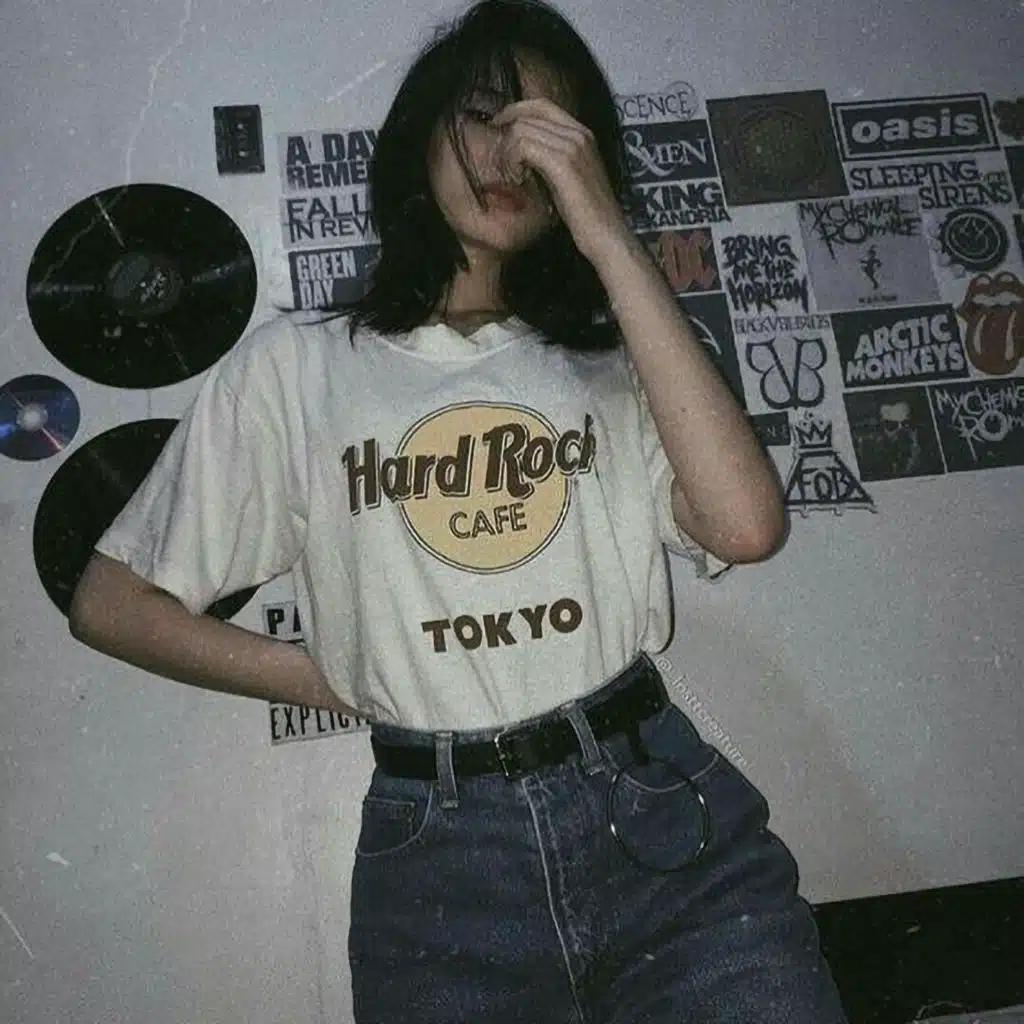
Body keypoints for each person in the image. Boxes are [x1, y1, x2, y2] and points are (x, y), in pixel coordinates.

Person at [68, 1, 850, 1020]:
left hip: (658, 819)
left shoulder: (622, 353)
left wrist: (607, 234)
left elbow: (747, 528)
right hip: (440, 861)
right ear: (419, 136)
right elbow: (112, 603)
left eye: (549, 129)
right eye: (485, 114)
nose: (512, 152)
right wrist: (331, 676)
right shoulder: (295, 368)